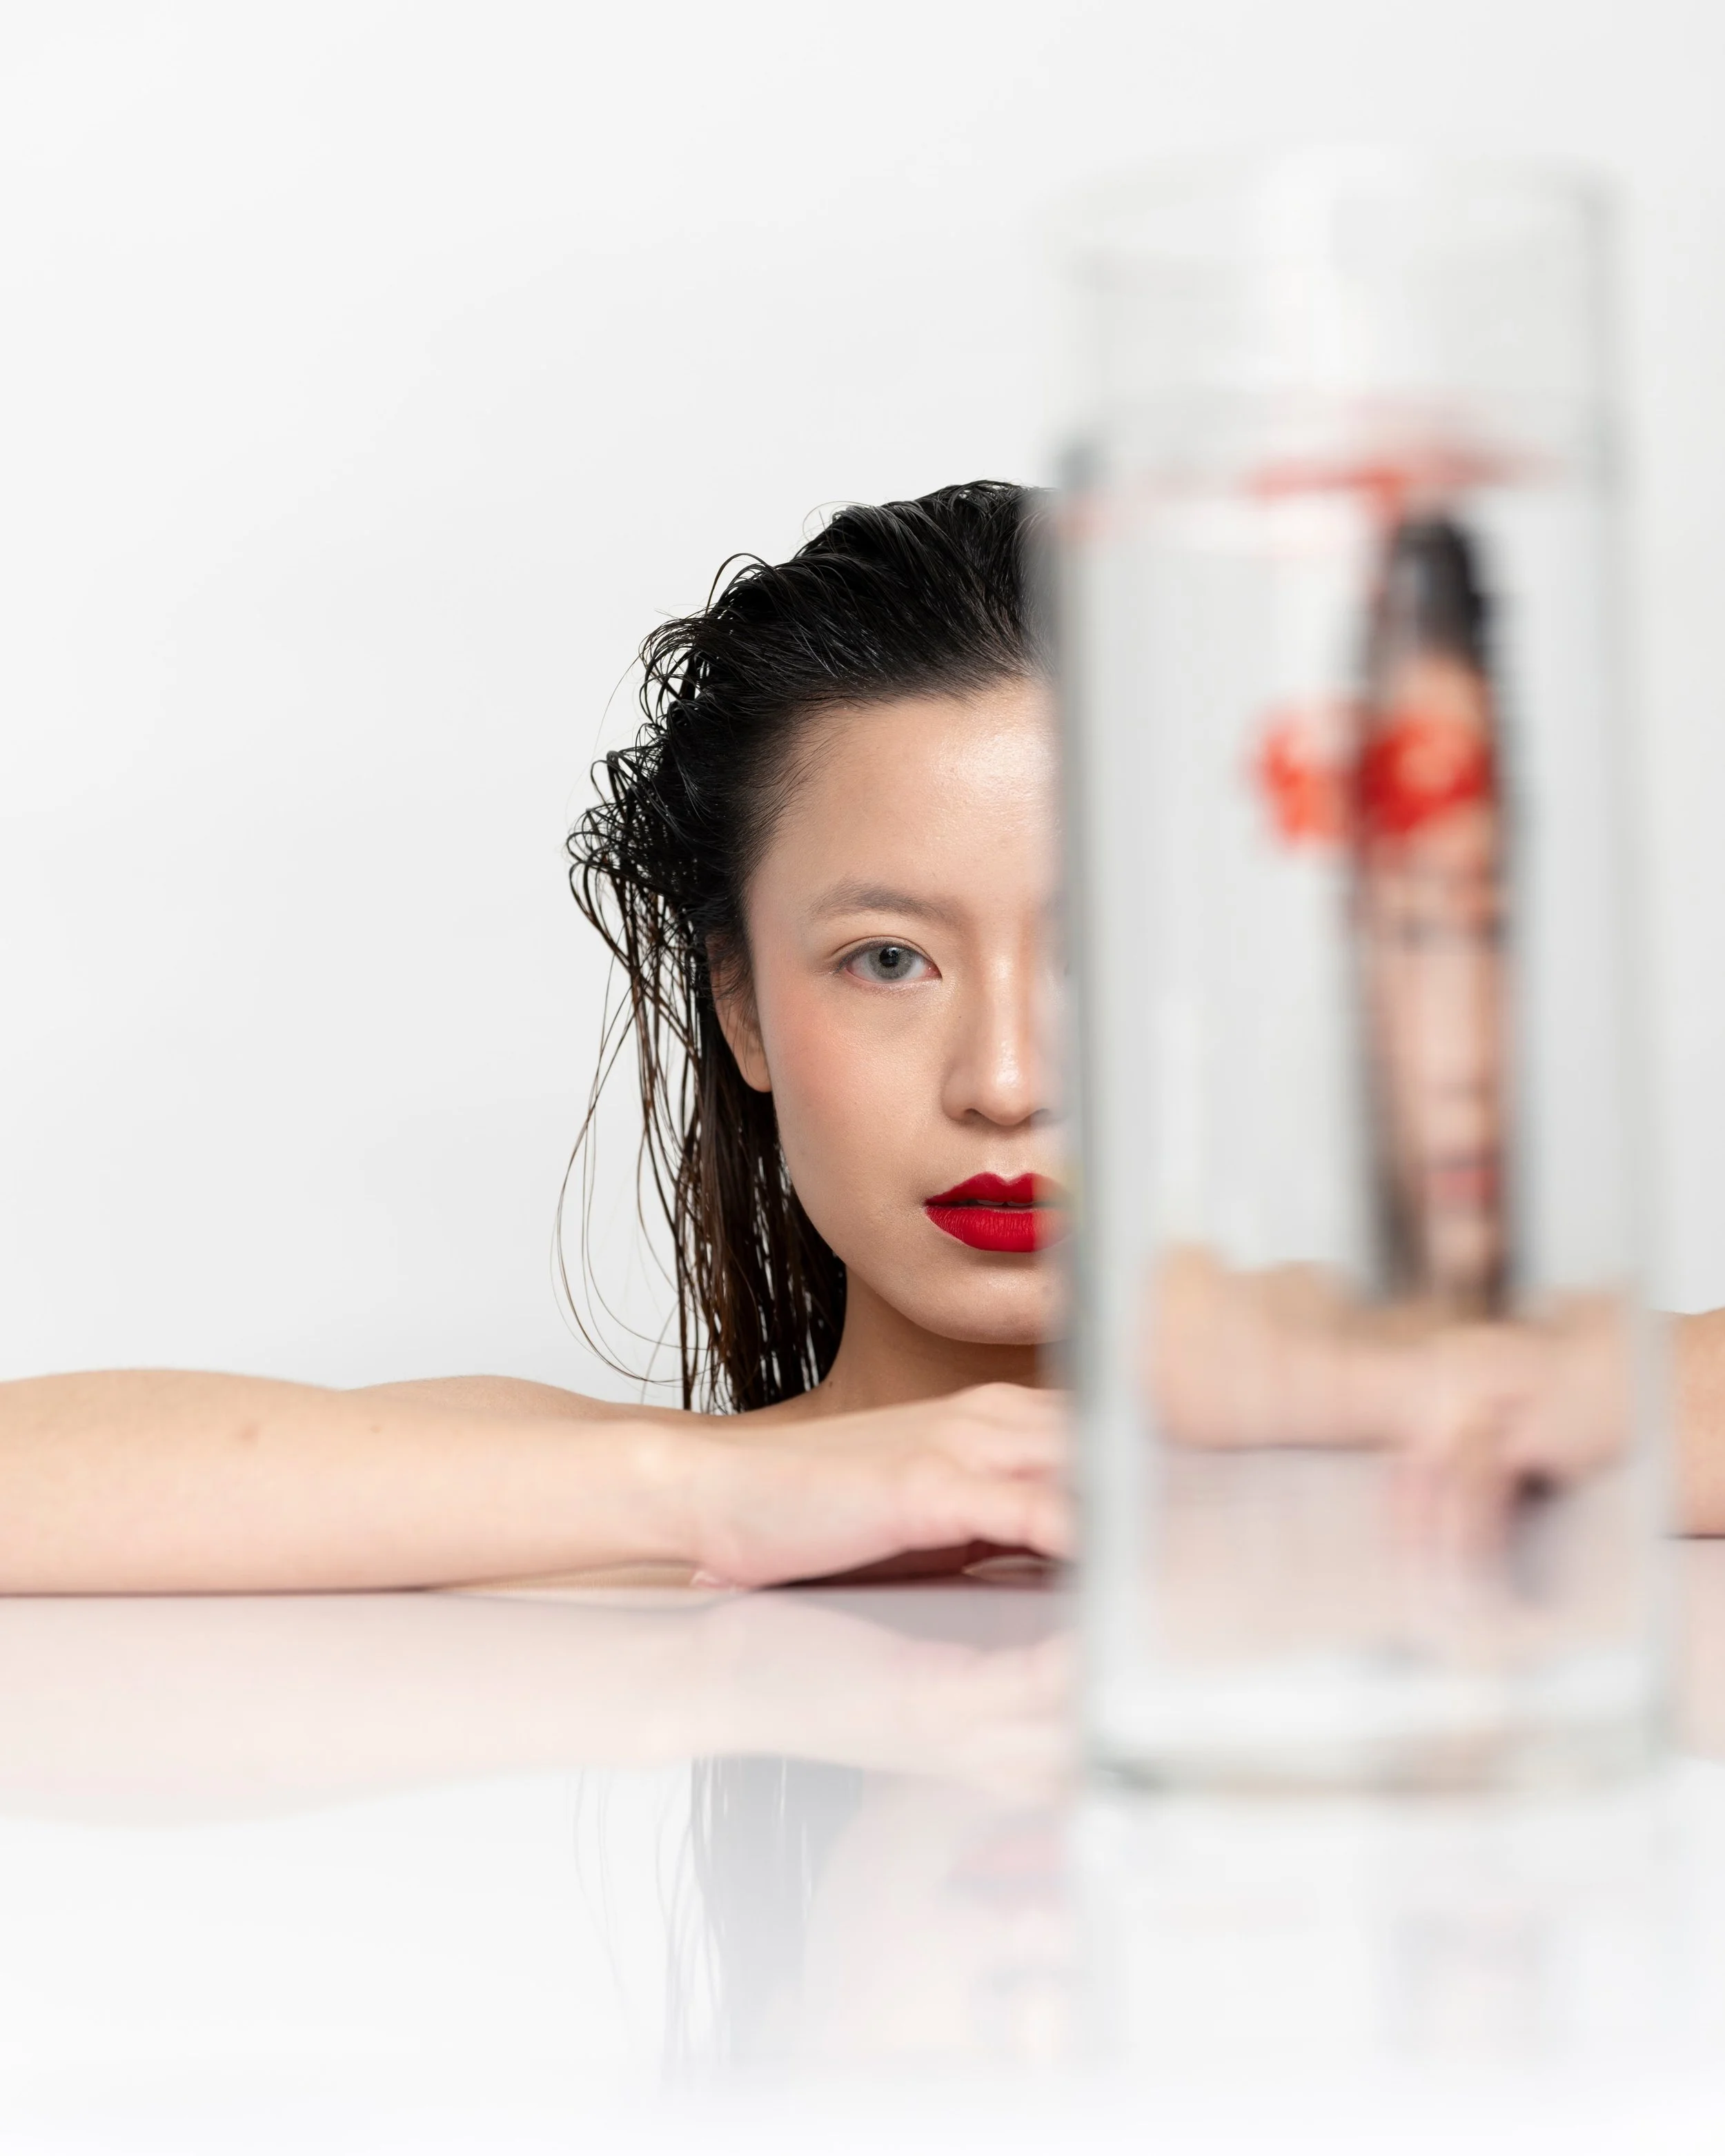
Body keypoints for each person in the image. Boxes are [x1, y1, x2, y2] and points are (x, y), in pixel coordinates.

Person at [0, 482, 1070, 1592]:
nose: (1004, 1083)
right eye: (888, 959)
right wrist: (717, 1495)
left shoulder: (1272, 1561)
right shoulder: (623, 1525)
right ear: (741, 1007)